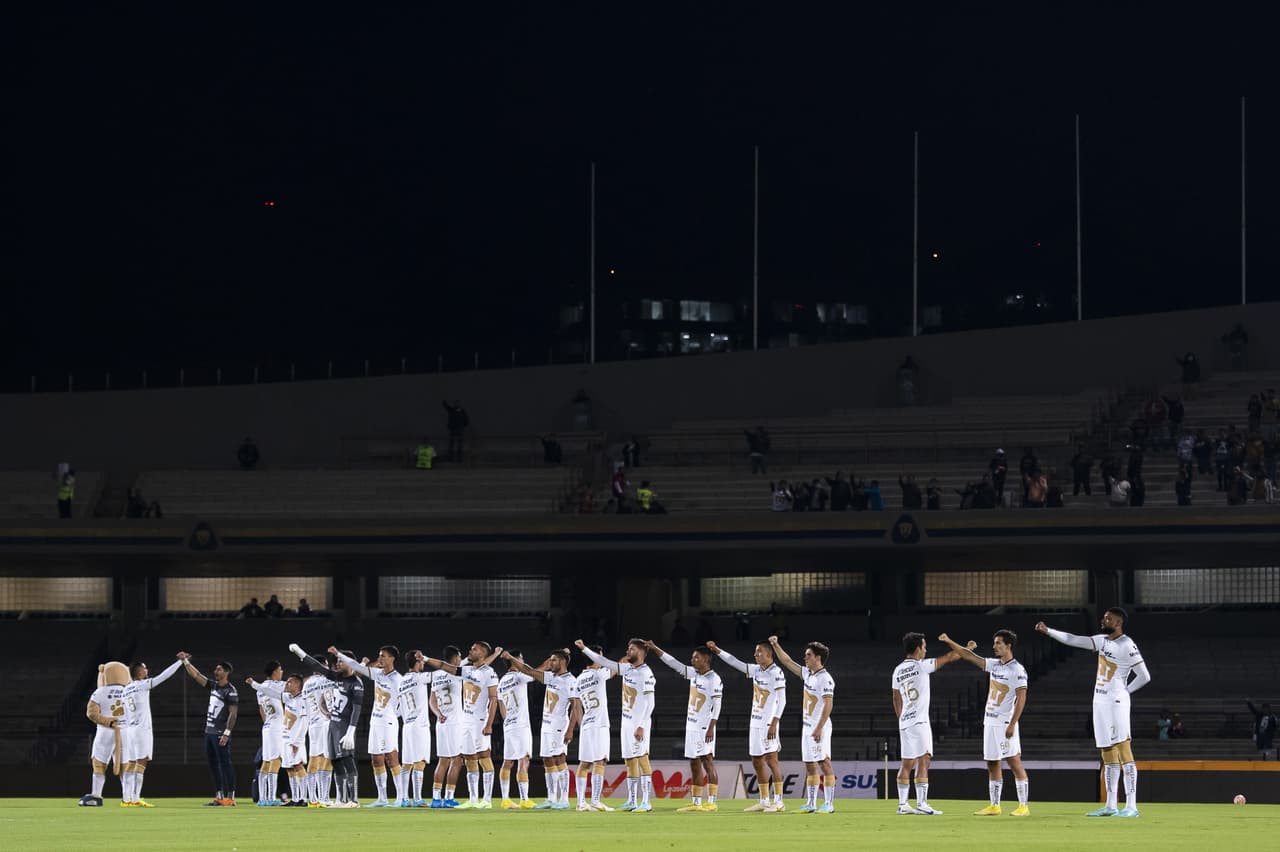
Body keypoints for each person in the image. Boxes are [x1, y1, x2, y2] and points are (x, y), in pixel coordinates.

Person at [1036, 609, 1151, 817]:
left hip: (1116, 702)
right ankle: (1110, 805)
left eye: (1107, 618)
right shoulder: (1102, 641)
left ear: (1118, 622)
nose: (1102, 620)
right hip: (1100, 701)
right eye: (1103, 617)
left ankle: (1132, 806)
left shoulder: (1127, 644)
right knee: (1107, 752)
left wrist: (1125, 691)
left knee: (1124, 749)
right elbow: (1074, 639)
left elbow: (1144, 676)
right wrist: (1049, 631)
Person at [937, 630, 1030, 817]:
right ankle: (995, 806)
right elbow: (968, 656)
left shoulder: (1017, 670)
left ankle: (1023, 806)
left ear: (1008, 645)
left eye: (998, 643)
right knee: (992, 763)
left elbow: (1021, 699)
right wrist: (949, 641)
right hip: (990, 721)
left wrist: (1013, 723)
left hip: (1005, 723)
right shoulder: (995, 665)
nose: (994, 646)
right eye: (994, 643)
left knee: (1014, 761)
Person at [891, 633, 972, 815]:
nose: (926, 650)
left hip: (905, 722)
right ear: (918, 648)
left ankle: (903, 804)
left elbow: (896, 697)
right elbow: (950, 657)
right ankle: (921, 803)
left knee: (906, 763)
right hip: (919, 721)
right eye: (924, 647)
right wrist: (969, 649)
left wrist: (901, 718)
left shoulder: (897, 670)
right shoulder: (921, 666)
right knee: (924, 759)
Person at [706, 639, 787, 812]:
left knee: (772, 761)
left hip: (768, 723)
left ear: (768, 654)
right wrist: (717, 650)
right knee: (757, 761)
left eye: (758, 652)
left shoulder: (777, 672)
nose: (755, 655)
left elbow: (782, 700)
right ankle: (764, 800)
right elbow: (735, 662)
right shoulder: (756, 670)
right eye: (755, 652)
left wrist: (774, 722)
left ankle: (779, 801)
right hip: (755, 722)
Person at [579, 638, 657, 812]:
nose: (628, 651)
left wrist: (642, 725)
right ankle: (632, 800)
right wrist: (584, 648)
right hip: (627, 723)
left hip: (639, 723)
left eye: (632, 649)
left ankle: (646, 802)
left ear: (641, 652)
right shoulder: (627, 669)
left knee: (642, 759)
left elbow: (650, 703)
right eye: (628, 648)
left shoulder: (646, 673)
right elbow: (604, 661)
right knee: (629, 761)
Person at [648, 641, 723, 813]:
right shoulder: (694, 674)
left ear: (706, 659)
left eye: (696, 657)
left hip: (705, 727)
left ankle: (712, 802)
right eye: (692, 657)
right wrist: (655, 648)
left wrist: (712, 726)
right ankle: (696, 802)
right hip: (691, 726)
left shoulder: (714, 679)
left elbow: (717, 706)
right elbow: (674, 663)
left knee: (707, 761)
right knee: (694, 763)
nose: (692, 660)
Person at [503, 648, 581, 810]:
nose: (550, 663)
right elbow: (528, 670)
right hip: (546, 725)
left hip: (559, 725)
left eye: (553, 660)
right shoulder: (551, 678)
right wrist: (511, 658)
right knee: (547, 760)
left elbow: (576, 707)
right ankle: (551, 798)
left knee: (559, 758)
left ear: (563, 662)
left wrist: (570, 729)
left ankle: (564, 799)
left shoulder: (570, 681)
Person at [289, 644, 365, 808]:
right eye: (337, 661)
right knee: (336, 761)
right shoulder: (337, 677)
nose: (337, 664)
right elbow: (317, 666)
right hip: (332, 725)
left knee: (347, 760)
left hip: (345, 726)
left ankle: (354, 800)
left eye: (340, 661)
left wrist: (351, 731)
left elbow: (357, 709)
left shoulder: (356, 683)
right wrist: (300, 653)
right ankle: (341, 799)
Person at [331, 645, 406, 807]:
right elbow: (357, 667)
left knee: (391, 757)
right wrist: (339, 654)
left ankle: (401, 797)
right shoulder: (378, 674)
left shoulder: (398, 679)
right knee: (376, 759)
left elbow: (403, 703)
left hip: (388, 722)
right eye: (379, 655)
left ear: (392, 658)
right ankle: (382, 798)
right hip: (375, 721)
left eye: (383, 656)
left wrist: (397, 715)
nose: (380, 658)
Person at [769, 636, 836, 813]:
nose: (805, 658)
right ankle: (811, 803)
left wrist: (819, 727)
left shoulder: (825, 679)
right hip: (807, 727)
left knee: (824, 763)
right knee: (809, 765)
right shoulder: (808, 674)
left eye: (808, 655)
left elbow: (828, 704)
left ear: (817, 658)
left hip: (819, 727)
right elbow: (787, 661)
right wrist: (775, 645)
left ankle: (829, 803)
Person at [119, 655, 184, 807]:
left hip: (130, 729)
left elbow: (124, 713)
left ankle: (125, 798)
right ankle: (135, 798)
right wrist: (179, 662)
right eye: (144, 668)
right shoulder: (142, 684)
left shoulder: (125, 689)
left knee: (131, 762)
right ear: (139, 672)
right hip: (142, 729)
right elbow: (163, 676)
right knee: (141, 762)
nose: (147, 670)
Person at [179, 653, 240, 806]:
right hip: (209, 732)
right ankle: (219, 796)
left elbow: (233, 714)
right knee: (213, 764)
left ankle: (230, 797)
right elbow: (196, 675)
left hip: (220, 733)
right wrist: (185, 661)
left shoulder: (230, 690)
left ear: (226, 672)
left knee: (225, 763)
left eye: (219, 670)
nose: (215, 671)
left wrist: (227, 733)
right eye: (216, 669)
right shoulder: (213, 686)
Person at [249, 672, 307, 806]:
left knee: (298, 765)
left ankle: (304, 798)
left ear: (298, 685)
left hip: (295, 741)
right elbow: (271, 692)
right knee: (289, 768)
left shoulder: (302, 700)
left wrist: (297, 741)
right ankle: (296, 799)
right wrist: (254, 684)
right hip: (286, 738)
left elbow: (305, 722)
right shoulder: (288, 697)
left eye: (290, 682)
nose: (287, 683)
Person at [457, 641, 502, 809]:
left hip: (479, 721)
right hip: (465, 720)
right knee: (469, 758)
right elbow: (448, 668)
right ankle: (473, 799)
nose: (470, 650)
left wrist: (490, 724)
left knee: (484, 757)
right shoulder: (468, 670)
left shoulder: (489, 673)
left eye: (474, 649)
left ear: (482, 654)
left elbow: (493, 700)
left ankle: (487, 800)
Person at [574, 643, 615, 812]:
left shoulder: (578, 680)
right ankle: (596, 801)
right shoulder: (599, 674)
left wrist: (582, 725)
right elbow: (615, 669)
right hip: (599, 724)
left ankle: (580, 803)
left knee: (584, 763)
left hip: (586, 725)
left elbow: (576, 708)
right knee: (600, 761)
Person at [82, 661, 130, 806]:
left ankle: (96, 796)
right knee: (125, 765)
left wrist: (106, 720)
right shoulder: (130, 690)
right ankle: (128, 798)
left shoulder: (100, 692)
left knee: (99, 763)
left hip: (105, 731)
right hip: (126, 732)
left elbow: (91, 713)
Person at [494, 650, 535, 810]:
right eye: (521, 658)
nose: (523, 660)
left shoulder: (502, 681)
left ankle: (505, 799)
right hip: (521, 725)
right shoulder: (520, 676)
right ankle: (524, 799)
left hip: (509, 725)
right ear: (516, 660)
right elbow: (533, 673)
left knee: (508, 761)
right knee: (523, 759)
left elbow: (501, 706)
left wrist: (508, 720)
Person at [243, 661, 286, 806]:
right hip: (276, 727)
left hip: (267, 726)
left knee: (266, 762)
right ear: (274, 672)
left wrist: (268, 722)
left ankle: (263, 798)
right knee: (276, 760)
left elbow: (261, 709)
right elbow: (294, 686)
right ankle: (272, 798)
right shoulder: (275, 685)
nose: (282, 672)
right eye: (280, 669)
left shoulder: (260, 689)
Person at [428, 645, 466, 807]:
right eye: (459, 657)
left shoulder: (436, 675)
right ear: (456, 658)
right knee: (457, 760)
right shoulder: (457, 672)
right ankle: (449, 798)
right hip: (455, 722)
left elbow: (432, 700)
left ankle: (436, 799)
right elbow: (473, 662)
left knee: (443, 761)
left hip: (441, 722)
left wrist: (438, 714)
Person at [397, 651, 433, 806]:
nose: (423, 664)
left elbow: (397, 709)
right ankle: (417, 798)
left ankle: (404, 799)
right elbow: (446, 673)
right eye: (422, 662)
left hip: (407, 726)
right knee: (420, 762)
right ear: (417, 662)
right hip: (420, 725)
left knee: (406, 764)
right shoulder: (420, 678)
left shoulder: (402, 681)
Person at [300, 654, 334, 805]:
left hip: (312, 724)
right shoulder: (326, 680)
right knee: (327, 759)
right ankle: (324, 798)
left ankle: (313, 799)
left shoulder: (306, 684)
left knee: (314, 759)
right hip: (325, 722)